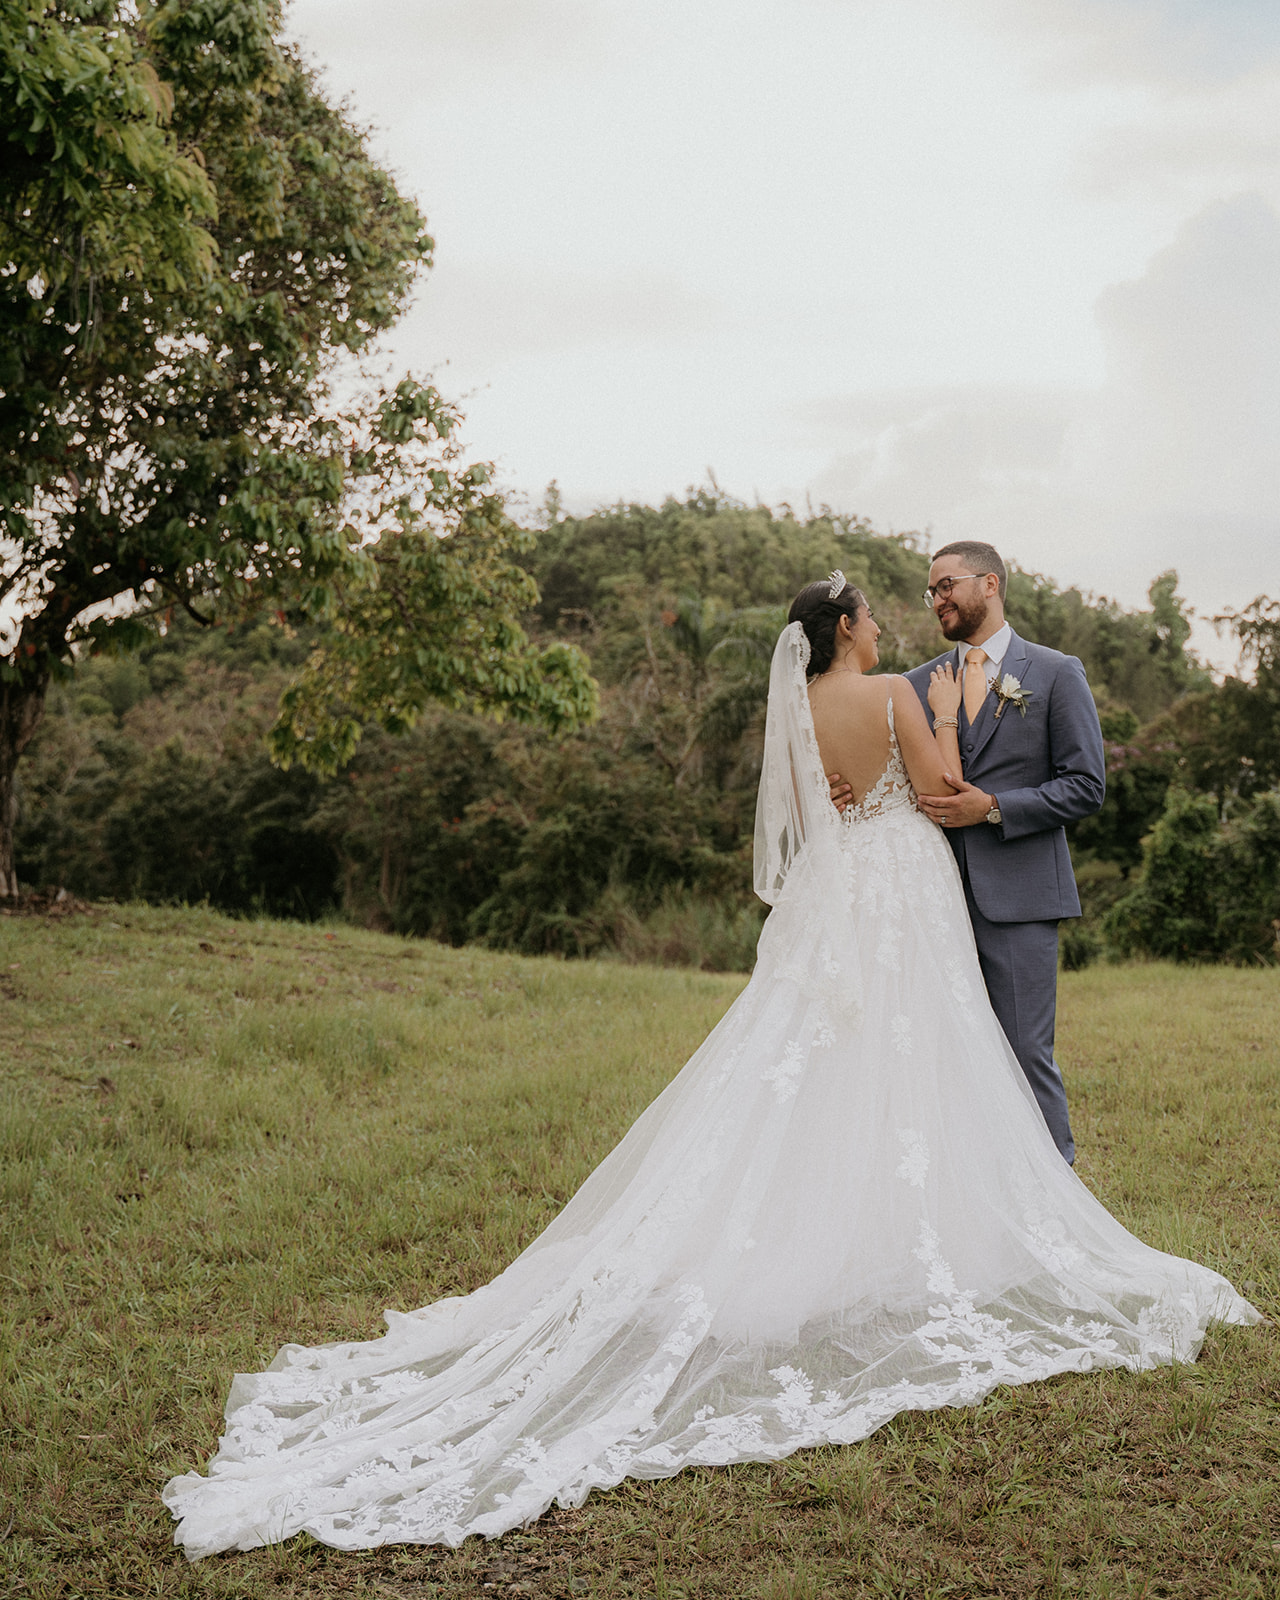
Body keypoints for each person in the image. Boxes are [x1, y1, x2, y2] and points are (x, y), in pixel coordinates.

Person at [163, 575, 1257, 1561]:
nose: (888, 624)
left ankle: (852, 1228)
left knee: (825, 1059)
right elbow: (935, 791)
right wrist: (950, 772)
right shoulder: (889, 697)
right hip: (901, 888)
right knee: (920, 1054)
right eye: (874, 612)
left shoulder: (792, 716)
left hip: (836, 901)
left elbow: (803, 815)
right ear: (842, 628)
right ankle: (929, 1230)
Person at [905, 540, 1104, 1165]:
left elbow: (1085, 785)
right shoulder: (915, 684)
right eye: (931, 591)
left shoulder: (1054, 672)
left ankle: (1058, 1207)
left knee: (1024, 1052)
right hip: (932, 898)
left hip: (1019, 897)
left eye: (947, 586)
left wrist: (991, 808)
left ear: (989, 584)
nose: (937, 599)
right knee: (943, 1058)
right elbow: (894, 779)